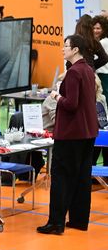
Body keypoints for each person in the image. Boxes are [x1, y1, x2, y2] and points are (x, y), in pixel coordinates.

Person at [37, 35, 98, 235]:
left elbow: (71, 104)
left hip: (71, 133)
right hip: (87, 132)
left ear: (76, 49)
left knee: (61, 178)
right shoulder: (87, 70)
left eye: (66, 46)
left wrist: (56, 96)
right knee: (81, 177)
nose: (63, 49)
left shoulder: (73, 72)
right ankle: (79, 220)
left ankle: (56, 222)